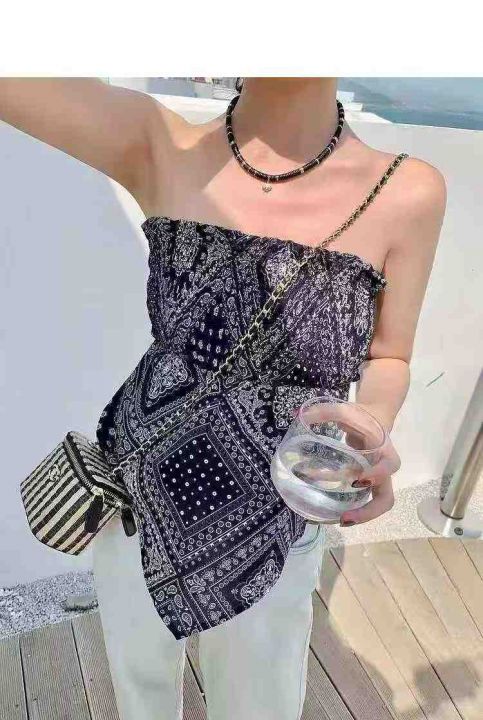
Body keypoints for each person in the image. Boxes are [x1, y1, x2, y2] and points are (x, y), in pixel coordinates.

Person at [0, 76, 447, 720]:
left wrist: (368, 425)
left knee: (258, 701)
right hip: (135, 494)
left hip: (275, 511)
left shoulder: (406, 190)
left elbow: (390, 354)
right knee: (140, 689)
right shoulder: (156, 142)